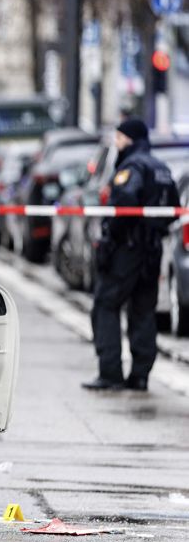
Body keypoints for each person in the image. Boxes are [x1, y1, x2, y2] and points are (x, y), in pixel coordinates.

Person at [84, 118, 178, 392]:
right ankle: (140, 376)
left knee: (106, 304)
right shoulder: (161, 168)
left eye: (120, 138)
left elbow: (125, 202)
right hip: (152, 250)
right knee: (143, 310)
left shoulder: (132, 166)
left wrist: (111, 238)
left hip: (127, 249)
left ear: (131, 139)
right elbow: (172, 207)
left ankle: (110, 373)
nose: (117, 142)